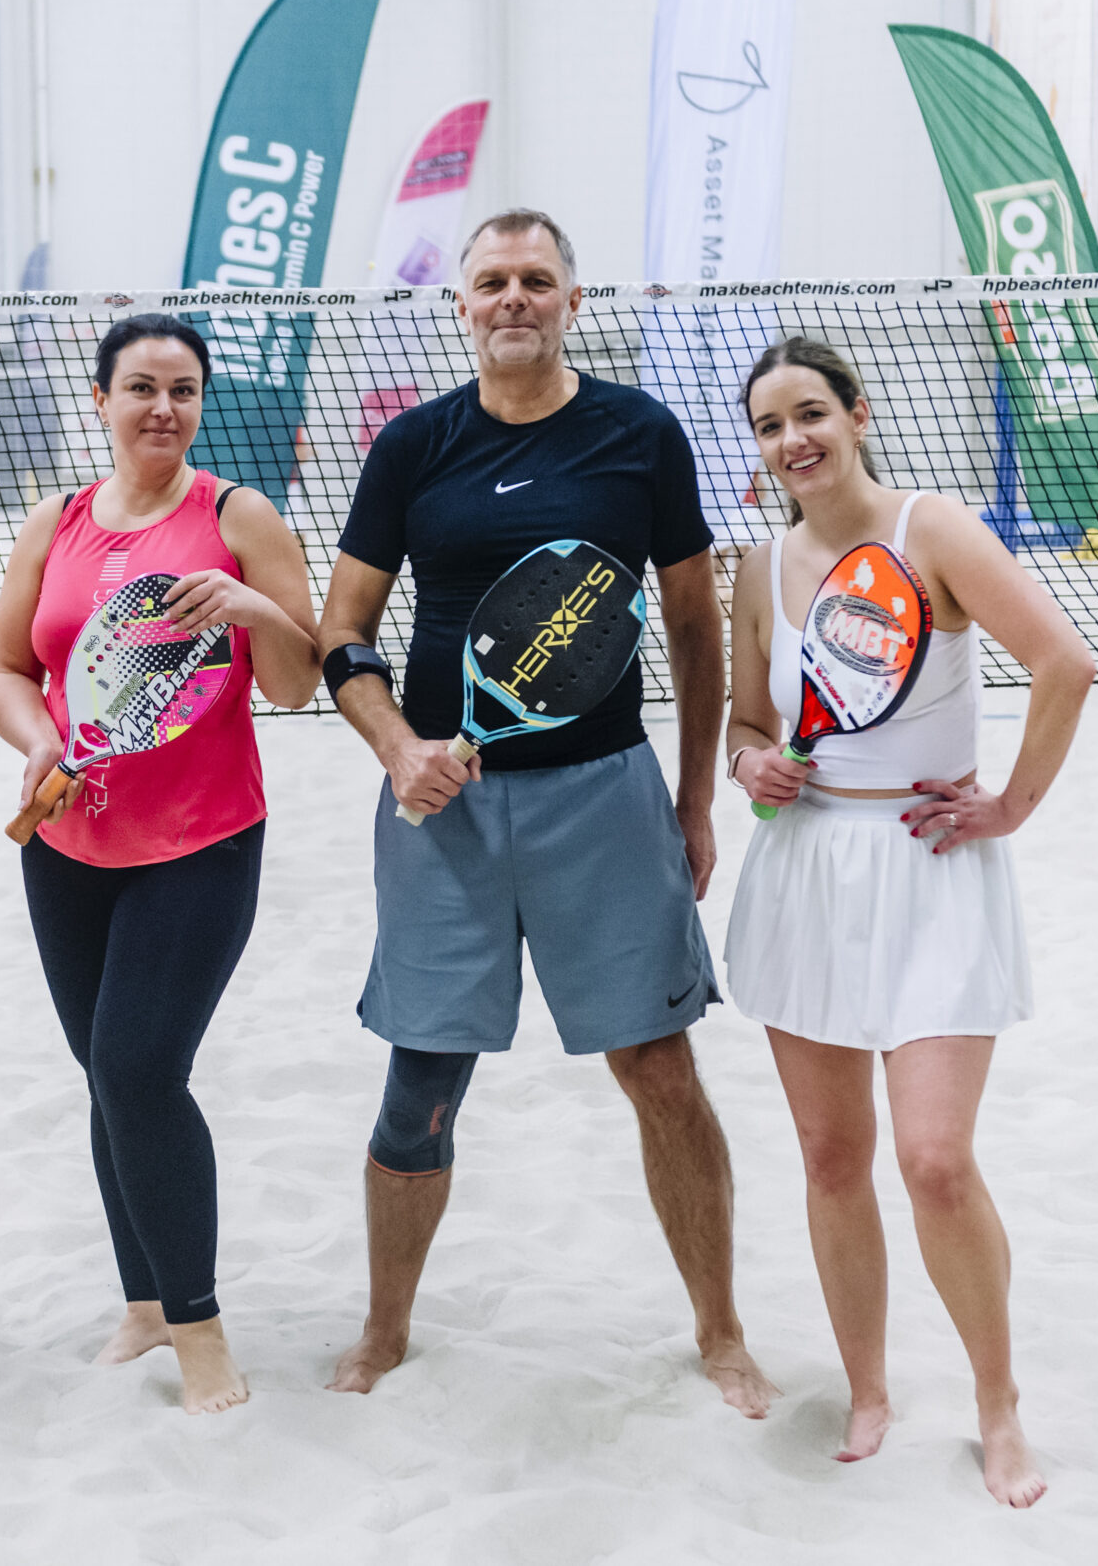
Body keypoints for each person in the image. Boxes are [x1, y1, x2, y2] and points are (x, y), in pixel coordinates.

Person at [316, 209, 774, 1415]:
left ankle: (721, 1332)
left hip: (604, 796)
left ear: (573, 299)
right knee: (421, 1081)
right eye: (490, 282)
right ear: (461, 304)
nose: (511, 298)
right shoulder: (413, 445)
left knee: (658, 1069)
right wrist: (397, 747)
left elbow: (691, 626)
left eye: (534, 279)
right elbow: (341, 631)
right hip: (443, 807)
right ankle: (384, 1332)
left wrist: (691, 799)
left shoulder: (638, 433)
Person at [720, 336, 1096, 1507]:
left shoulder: (932, 530)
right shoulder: (758, 569)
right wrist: (749, 764)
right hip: (805, 873)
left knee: (934, 1161)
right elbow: (743, 723)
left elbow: (1066, 664)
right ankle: (868, 1389)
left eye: (810, 413)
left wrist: (1012, 806)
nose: (793, 440)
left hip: (930, 864)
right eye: (770, 425)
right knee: (832, 1158)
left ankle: (998, 1404)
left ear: (858, 414)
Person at [0, 313, 321, 1415]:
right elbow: (3, 669)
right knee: (105, 1073)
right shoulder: (56, 520)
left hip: (199, 841)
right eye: (140, 387)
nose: (162, 408)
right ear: (102, 401)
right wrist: (38, 738)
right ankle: (142, 1302)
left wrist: (254, 606)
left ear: (201, 405)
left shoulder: (237, 515)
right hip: (67, 838)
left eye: (182, 390)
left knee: (137, 1069)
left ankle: (199, 1325)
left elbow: (295, 685)